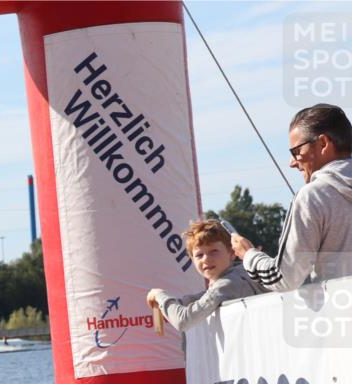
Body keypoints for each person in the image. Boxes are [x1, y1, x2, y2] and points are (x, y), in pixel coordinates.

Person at [232, 103, 352, 290]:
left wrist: (249, 255)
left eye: (296, 151)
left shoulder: (313, 196)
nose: (292, 163)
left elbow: (284, 277)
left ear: (323, 143)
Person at [147, 220, 264, 333]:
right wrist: (171, 304)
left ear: (232, 253)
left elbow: (182, 321)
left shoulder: (227, 285)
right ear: (192, 259)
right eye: (199, 255)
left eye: (214, 251)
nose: (206, 259)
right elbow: (204, 297)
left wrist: (159, 295)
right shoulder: (241, 272)